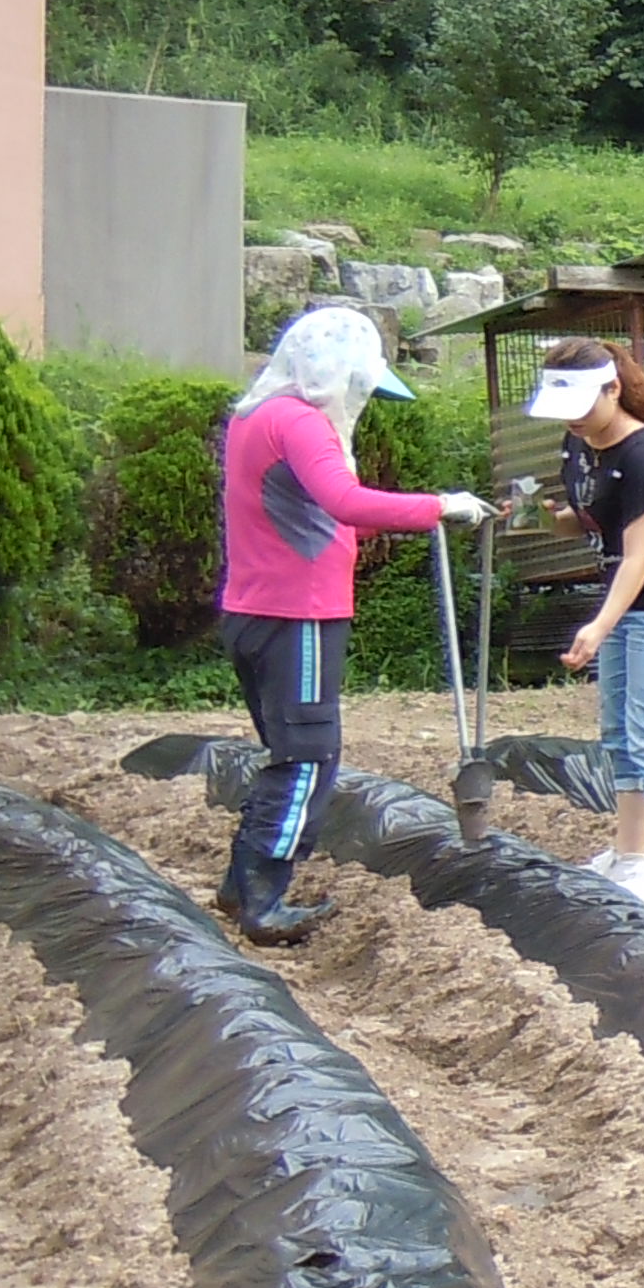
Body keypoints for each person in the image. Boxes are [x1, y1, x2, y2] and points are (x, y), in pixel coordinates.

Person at [210, 307, 491, 944]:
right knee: (309, 758)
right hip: (298, 615)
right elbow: (343, 501)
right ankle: (263, 900)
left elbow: (311, 516)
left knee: (290, 754)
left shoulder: (255, 416)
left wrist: (416, 517)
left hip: (253, 610)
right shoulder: (299, 421)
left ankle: (240, 886)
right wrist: (439, 506)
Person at [531, 339, 644, 908]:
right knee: (619, 736)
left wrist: (598, 626)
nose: (572, 420)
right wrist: (542, 517)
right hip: (625, 605)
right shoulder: (579, 444)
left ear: (613, 390)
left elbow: (639, 555)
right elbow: (590, 518)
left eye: (582, 405)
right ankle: (629, 855)